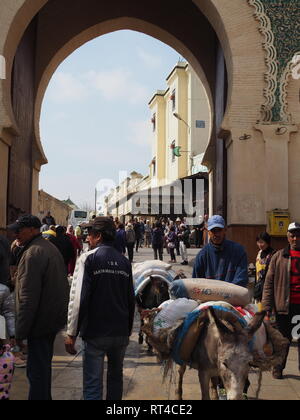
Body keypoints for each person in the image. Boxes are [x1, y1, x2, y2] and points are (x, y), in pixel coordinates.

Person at [64, 217, 135, 400]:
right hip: (119, 333)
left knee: (93, 385)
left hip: (96, 333)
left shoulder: (88, 258)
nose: (87, 239)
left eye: (90, 235)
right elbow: (130, 299)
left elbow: (78, 299)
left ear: (99, 236)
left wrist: (71, 332)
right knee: (115, 380)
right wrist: (126, 331)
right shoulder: (124, 261)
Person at [7, 215, 69, 400]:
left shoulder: (33, 253)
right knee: (42, 370)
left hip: (39, 324)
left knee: (37, 373)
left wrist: (20, 333)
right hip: (49, 321)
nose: (15, 234)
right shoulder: (46, 248)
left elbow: (27, 298)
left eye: (20, 230)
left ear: (34, 229)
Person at [262, 222, 300, 379]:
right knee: (283, 340)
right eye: (292, 235)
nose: (295, 238)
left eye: (298, 234)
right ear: (287, 237)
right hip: (283, 306)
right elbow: (268, 284)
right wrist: (266, 308)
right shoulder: (279, 257)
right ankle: (278, 368)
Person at [193, 215, 248, 287]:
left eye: (219, 230)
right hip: (209, 297)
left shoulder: (238, 251)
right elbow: (196, 284)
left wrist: (224, 294)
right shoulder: (202, 256)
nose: (217, 234)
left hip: (232, 296)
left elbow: (241, 279)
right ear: (208, 231)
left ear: (225, 230)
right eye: (213, 231)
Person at [254, 232, 275, 302]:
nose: (260, 245)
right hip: (258, 287)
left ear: (268, 242)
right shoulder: (259, 253)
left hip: (268, 288)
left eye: (262, 242)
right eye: (258, 242)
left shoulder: (273, 254)